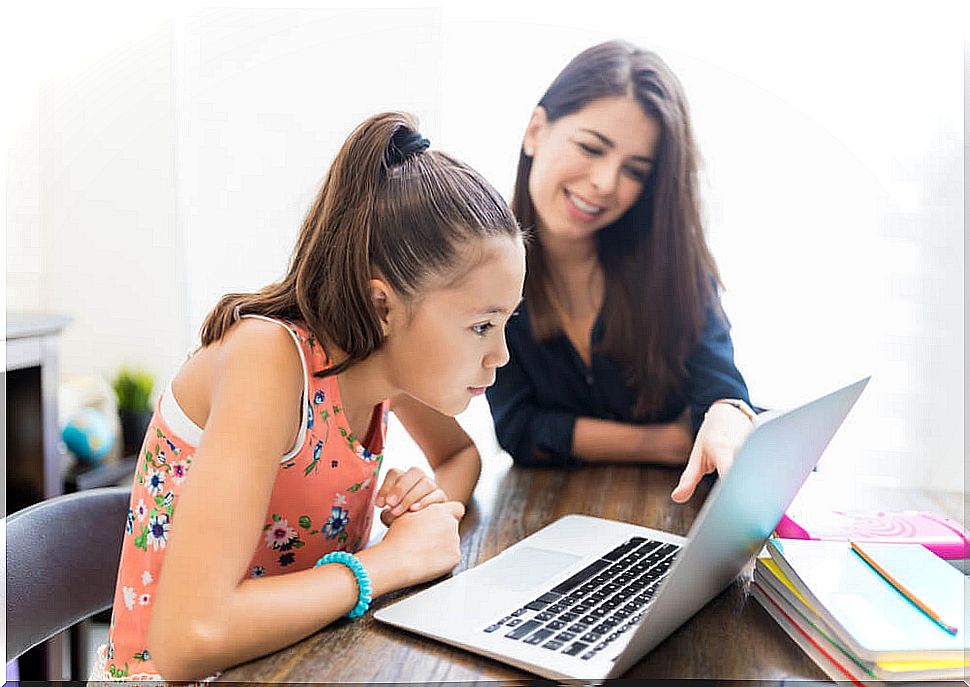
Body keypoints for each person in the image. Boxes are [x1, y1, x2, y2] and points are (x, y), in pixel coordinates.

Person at [94, 112, 526, 682]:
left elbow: (459, 458)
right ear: (384, 307)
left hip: (292, 663)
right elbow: (187, 638)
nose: (502, 355)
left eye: (505, 324)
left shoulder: (390, 365)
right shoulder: (269, 361)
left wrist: (425, 516)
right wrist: (385, 564)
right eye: (481, 326)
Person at [486, 40, 756, 504]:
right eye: (591, 148)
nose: (606, 184)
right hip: (551, 514)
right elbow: (520, 430)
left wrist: (727, 416)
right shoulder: (485, 268)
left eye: (635, 171)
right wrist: (669, 442)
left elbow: (723, 393)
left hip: (684, 509)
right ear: (535, 130)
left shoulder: (670, 264)